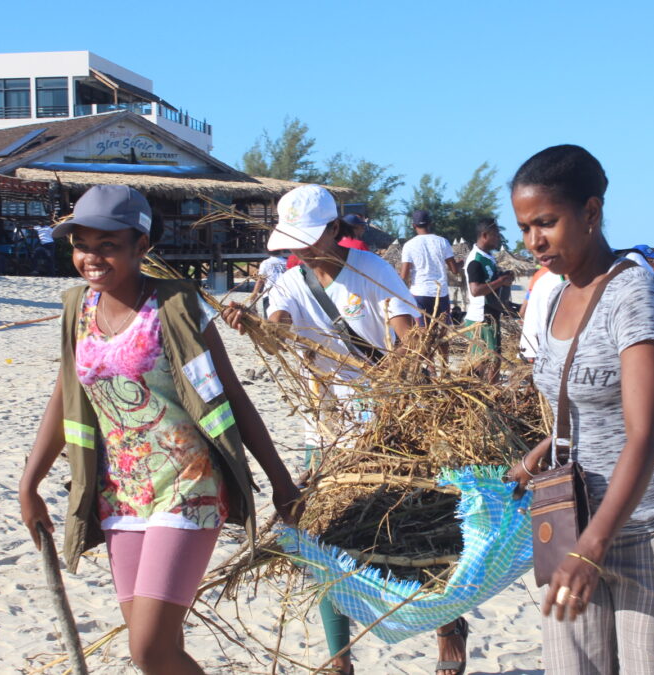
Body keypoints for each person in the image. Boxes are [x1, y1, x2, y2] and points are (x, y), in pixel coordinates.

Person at [17, 185, 301, 675]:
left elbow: (231, 396)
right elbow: (64, 396)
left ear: (141, 246)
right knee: (160, 649)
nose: (93, 257)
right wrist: (30, 483)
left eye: (108, 244)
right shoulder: (76, 309)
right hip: (121, 495)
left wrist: (281, 483)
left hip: (189, 488)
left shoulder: (174, 307)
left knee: (147, 649)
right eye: (83, 244)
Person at [221, 185, 467, 675]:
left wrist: (392, 390)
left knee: (427, 536)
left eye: (309, 238)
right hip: (326, 429)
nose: (301, 249)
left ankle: (448, 630)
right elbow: (281, 334)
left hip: (392, 425)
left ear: (335, 229)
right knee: (322, 542)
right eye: (293, 241)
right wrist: (257, 327)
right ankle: (339, 659)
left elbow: (408, 336)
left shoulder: (372, 272)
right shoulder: (289, 283)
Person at [505, 144, 654, 674]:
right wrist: (534, 460)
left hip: (649, 533)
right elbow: (577, 407)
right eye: (525, 228)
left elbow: (648, 434)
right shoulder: (554, 295)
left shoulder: (633, 294)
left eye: (546, 223)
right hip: (572, 530)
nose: (534, 242)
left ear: (591, 213)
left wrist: (594, 546)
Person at [399, 209, 462, 363]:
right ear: (430, 224)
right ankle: (445, 367)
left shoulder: (409, 245)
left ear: (413, 225)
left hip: (419, 293)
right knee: (442, 334)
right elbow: (454, 270)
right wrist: (461, 263)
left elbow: (404, 275)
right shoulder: (442, 241)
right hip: (440, 294)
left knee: (424, 334)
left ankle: (430, 368)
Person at [463, 218, 515, 381]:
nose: (498, 238)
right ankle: (489, 394)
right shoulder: (475, 260)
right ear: (485, 235)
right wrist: (500, 281)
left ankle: (486, 392)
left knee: (490, 359)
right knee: (489, 360)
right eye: (496, 235)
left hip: (491, 315)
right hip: (482, 317)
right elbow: (476, 290)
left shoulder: (488, 258)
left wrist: (503, 277)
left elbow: (490, 282)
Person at [253, 251, 288, 317]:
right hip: (285, 295)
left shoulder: (265, 263)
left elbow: (260, 280)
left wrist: (254, 293)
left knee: (270, 320)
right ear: (281, 251)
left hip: (269, 295)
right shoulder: (287, 262)